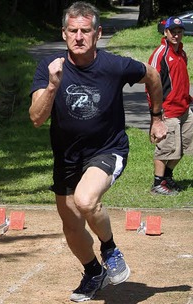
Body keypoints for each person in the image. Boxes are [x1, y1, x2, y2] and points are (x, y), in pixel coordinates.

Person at [29, 2, 167, 302]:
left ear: (98, 33)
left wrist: (157, 117)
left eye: (86, 31)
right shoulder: (50, 67)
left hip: (108, 149)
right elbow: (36, 118)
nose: (79, 37)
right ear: (64, 33)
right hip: (67, 157)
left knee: (86, 200)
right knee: (72, 225)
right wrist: (53, 85)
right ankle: (93, 271)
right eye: (73, 31)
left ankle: (110, 249)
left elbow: (153, 76)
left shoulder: (114, 66)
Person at [147, 16, 193, 195]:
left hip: (184, 108)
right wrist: (156, 115)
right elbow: (150, 84)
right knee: (166, 149)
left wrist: (188, 99)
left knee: (184, 146)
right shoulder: (161, 54)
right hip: (168, 111)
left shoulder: (181, 53)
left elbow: (180, 80)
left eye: (179, 32)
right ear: (165, 32)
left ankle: (167, 177)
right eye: (172, 32)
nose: (176, 35)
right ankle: (158, 184)